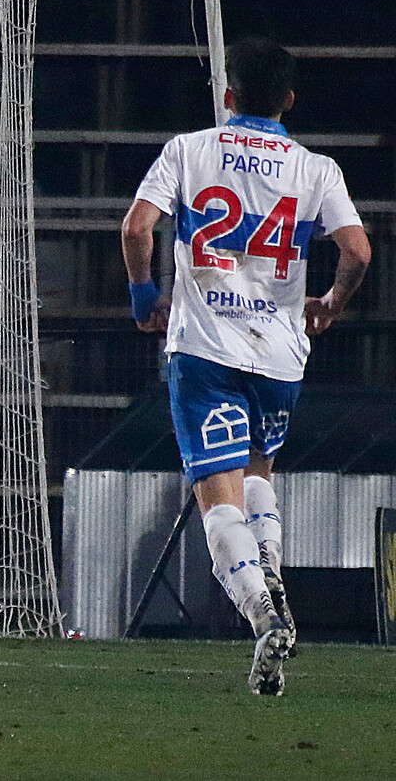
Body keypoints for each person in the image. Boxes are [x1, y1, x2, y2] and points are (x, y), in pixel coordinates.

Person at [121, 38, 370, 696]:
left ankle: (265, 616)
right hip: (281, 354)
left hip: (205, 350)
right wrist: (333, 303)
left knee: (216, 497)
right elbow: (358, 249)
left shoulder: (188, 149)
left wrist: (145, 293)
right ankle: (271, 577)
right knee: (259, 472)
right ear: (289, 101)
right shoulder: (315, 168)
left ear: (229, 96)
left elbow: (137, 228)